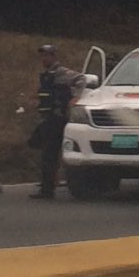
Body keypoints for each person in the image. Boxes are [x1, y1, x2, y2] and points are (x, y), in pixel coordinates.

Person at [30, 44, 85, 200]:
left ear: (54, 56)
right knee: (44, 150)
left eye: (47, 55)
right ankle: (48, 184)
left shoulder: (62, 72)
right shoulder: (46, 74)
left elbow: (81, 78)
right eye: (42, 56)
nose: (44, 58)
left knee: (50, 154)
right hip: (48, 118)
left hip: (58, 118)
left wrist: (75, 98)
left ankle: (48, 189)